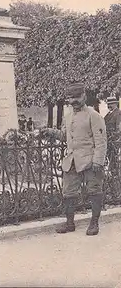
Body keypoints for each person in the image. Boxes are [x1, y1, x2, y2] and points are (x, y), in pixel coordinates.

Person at [42, 83, 107, 236]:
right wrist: (51, 132)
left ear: (84, 96)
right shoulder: (68, 115)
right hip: (72, 160)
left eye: (77, 97)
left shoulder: (94, 115)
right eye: (71, 98)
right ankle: (70, 223)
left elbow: (101, 140)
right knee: (68, 193)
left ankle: (94, 223)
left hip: (90, 161)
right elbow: (66, 136)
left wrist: (98, 160)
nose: (74, 101)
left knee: (94, 191)